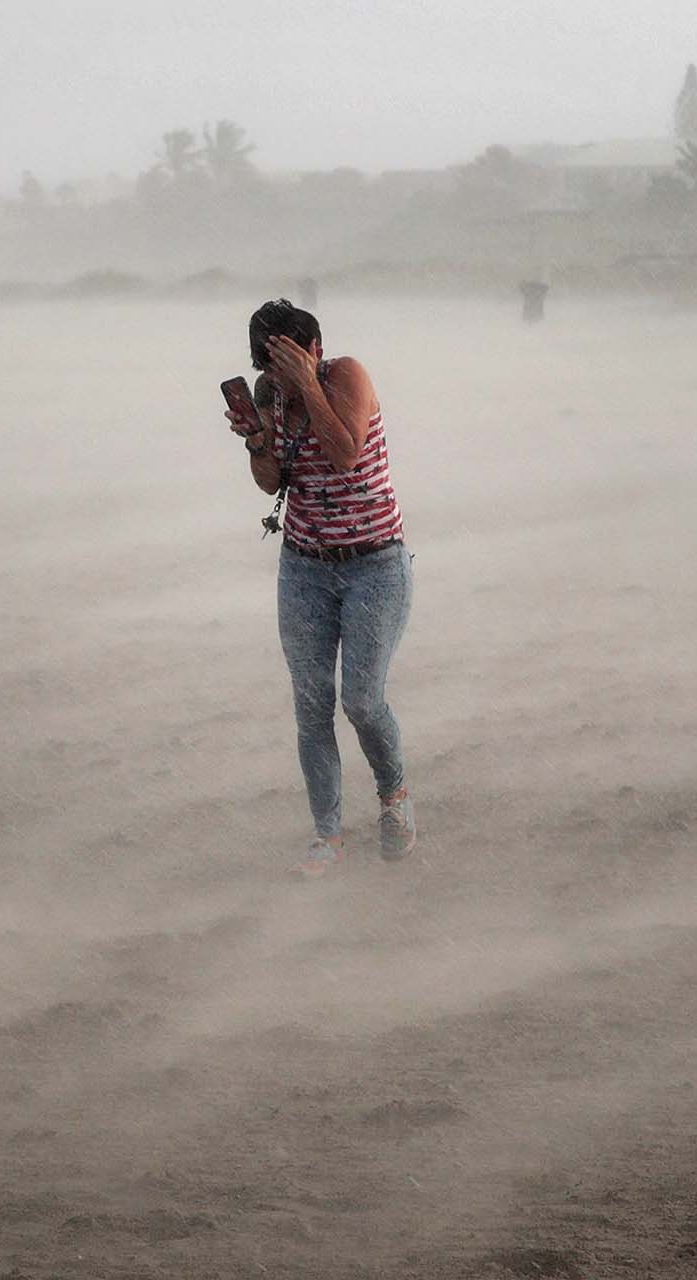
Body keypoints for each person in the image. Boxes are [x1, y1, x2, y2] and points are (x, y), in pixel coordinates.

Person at [226, 300, 416, 878]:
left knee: (361, 700)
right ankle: (327, 834)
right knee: (311, 705)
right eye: (268, 365)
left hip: (375, 564)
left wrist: (309, 385)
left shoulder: (347, 376)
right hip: (305, 568)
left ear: (313, 349)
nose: (275, 377)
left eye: (285, 362)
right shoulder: (270, 395)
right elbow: (270, 484)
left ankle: (393, 797)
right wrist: (257, 441)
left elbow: (344, 452)